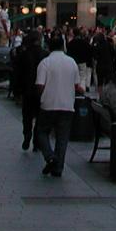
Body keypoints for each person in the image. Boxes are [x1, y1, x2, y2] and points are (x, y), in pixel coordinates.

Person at [34, 33, 83, 177]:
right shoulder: (71, 62)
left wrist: (40, 97)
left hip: (48, 104)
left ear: (49, 47)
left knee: (41, 131)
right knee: (62, 137)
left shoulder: (45, 63)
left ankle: (50, 156)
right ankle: (58, 168)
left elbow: (40, 85)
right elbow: (77, 85)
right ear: (63, 46)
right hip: (67, 105)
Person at [18, 30, 45, 151]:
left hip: (27, 90)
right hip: (41, 90)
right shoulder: (45, 54)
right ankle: (37, 141)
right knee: (40, 116)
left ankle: (27, 134)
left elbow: (17, 73)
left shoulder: (24, 54)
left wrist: (17, 90)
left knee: (27, 115)